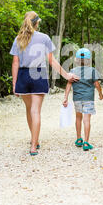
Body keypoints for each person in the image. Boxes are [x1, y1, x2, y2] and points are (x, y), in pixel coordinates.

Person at [10, 11, 79, 156]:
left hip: (23, 75)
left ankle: (33, 139)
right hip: (38, 74)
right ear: (37, 23)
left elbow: (15, 62)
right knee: (36, 111)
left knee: (29, 110)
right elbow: (51, 61)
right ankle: (34, 146)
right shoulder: (44, 38)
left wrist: (14, 83)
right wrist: (67, 75)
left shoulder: (18, 39)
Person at [63, 48, 103, 151]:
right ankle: (86, 142)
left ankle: (78, 139)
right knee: (87, 119)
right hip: (88, 98)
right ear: (89, 60)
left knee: (78, 118)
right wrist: (100, 93)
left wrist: (65, 98)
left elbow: (68, 84)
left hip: (77, 98)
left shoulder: (73, 71)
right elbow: (96, 84)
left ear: (76, 60)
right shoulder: (92, 70)